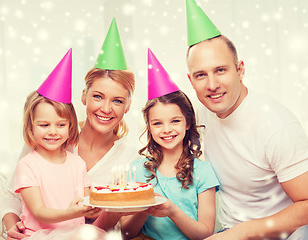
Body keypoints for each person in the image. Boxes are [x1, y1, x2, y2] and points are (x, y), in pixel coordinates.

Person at [1, 18, 139, 240]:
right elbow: (13, 197)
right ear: (84, 96)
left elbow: (119, 228)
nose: (106, 108)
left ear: (128, 106)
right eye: (98, 96)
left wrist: (115, 211)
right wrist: (12, 225)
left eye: (117, 101)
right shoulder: (45, 140)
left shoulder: (129, 158)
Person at [185, 0, 308, 239]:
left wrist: (241, 232)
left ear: (240, 69)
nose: (212, 85)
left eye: (220, 70)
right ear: (191, 80)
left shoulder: (276, 126)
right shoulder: (199, 113)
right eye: (201, 75)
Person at [120, 49, 219, 240]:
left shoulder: (203, 172)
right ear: (149, 127)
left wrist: (172, 210)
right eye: (157, 123)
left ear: (188, 122)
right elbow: (125, 233)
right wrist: (144, 207)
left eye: (175, 121)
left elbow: (206, 233)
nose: (166, 129)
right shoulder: (137, 170)